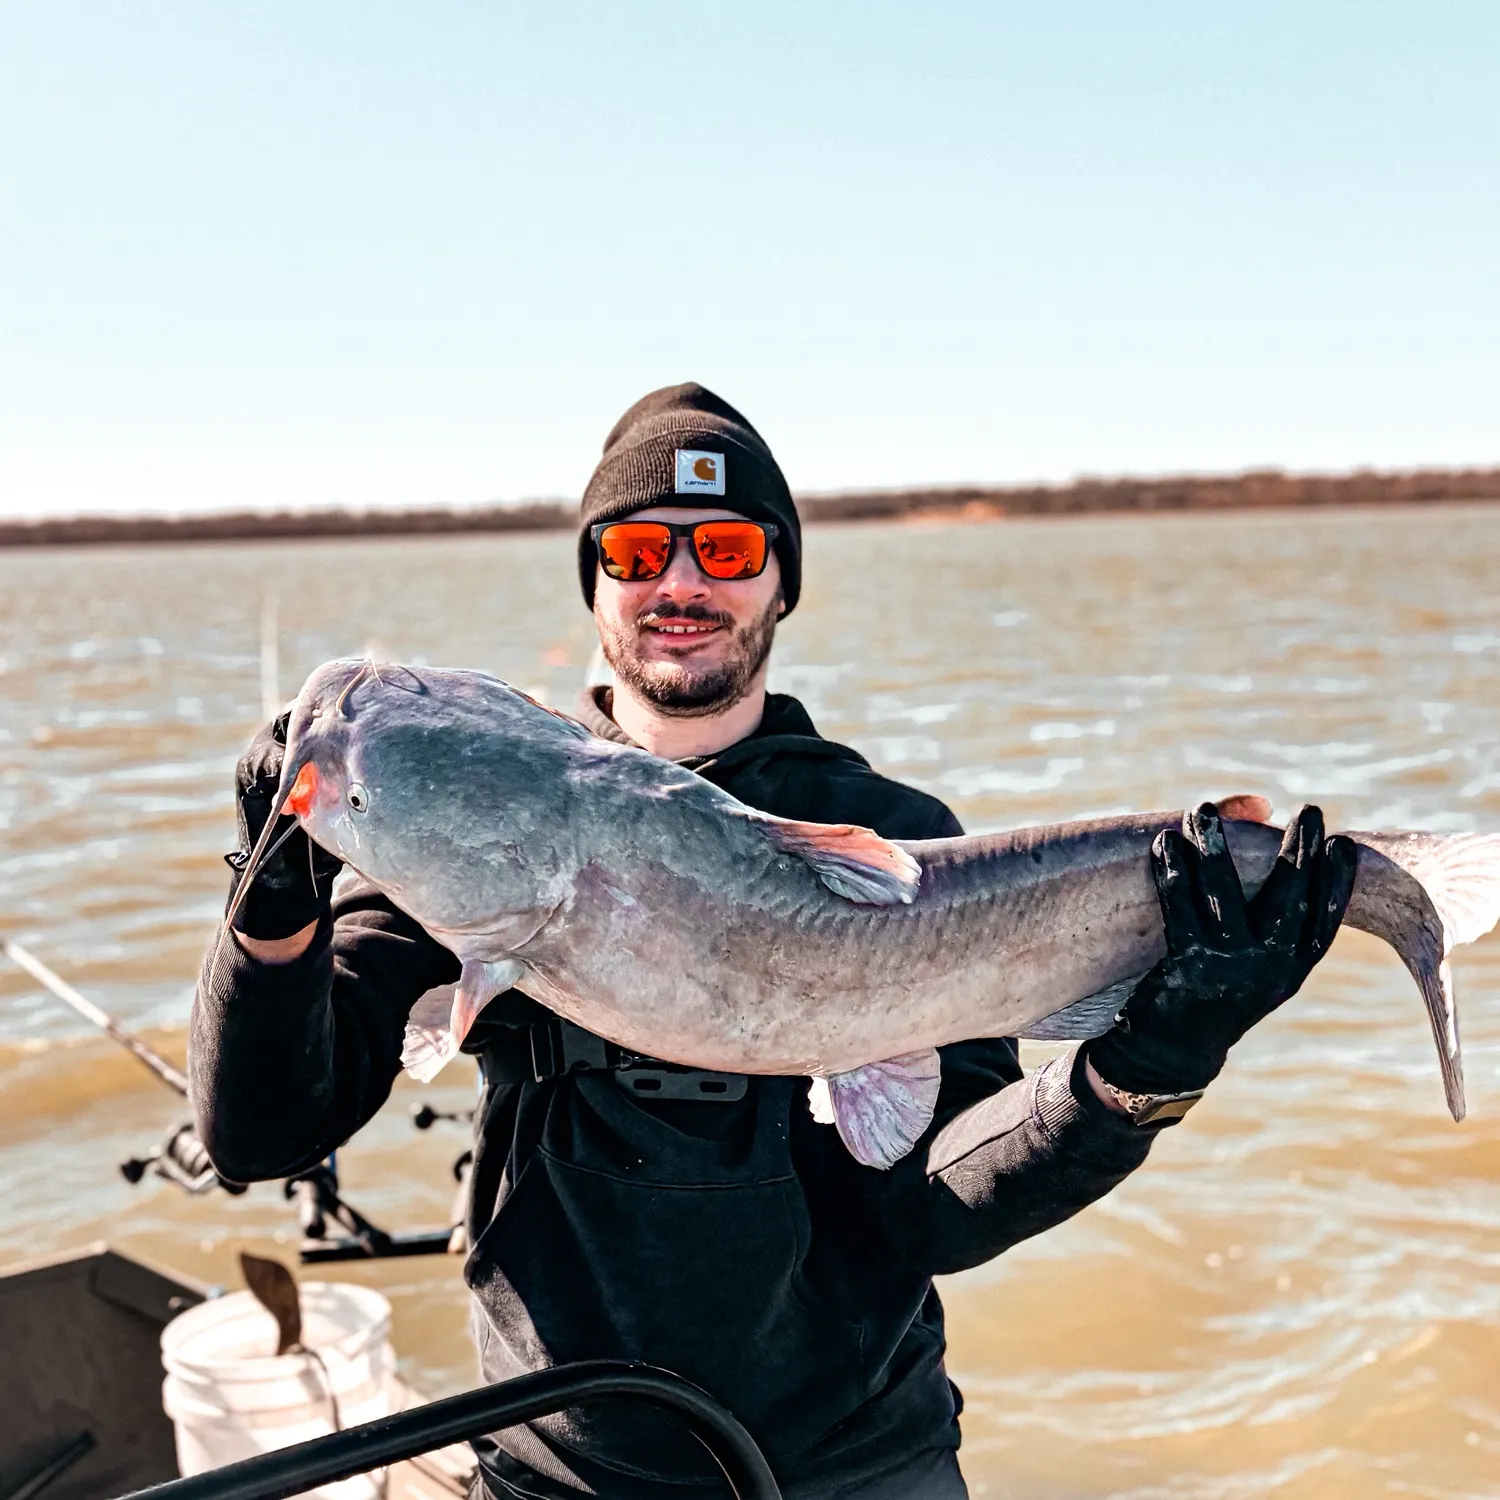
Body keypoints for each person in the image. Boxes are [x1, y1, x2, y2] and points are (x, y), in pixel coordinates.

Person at [191, 384, 1357, 1499]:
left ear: (781, 584)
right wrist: (275, 889)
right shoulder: (481, 804)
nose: (682, 584)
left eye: (729, 551)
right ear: (596, 586)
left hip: (857, 1464)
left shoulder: (896, 840)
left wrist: (1147, 1070)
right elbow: (259, 1134)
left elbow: (936, 1209)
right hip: (556, 1470)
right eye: (640, 552)